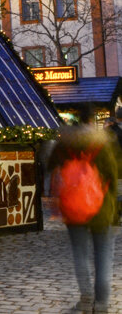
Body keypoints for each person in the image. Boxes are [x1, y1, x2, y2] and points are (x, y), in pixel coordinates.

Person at [49, 109, 120, 313]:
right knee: (103, 255)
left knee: (80, 255)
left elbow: (51, 169)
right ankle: (101, 304)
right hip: (102, 208)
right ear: (92, 121)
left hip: (73, 208)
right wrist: (114, 211)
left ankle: (86, 299)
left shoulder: (64, 144)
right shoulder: (102, 143)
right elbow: (112, 176)